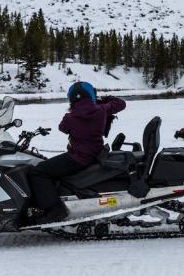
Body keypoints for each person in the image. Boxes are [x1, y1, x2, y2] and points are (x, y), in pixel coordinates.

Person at [26, 82, 127, 225]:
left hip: (78, 158)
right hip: (95, 154)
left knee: (38, 172)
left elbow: (62, 128)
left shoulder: (70, 117)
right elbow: (121, 103)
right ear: (91, 95)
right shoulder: (102, 109)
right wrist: (102, 100)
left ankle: (55, 209)